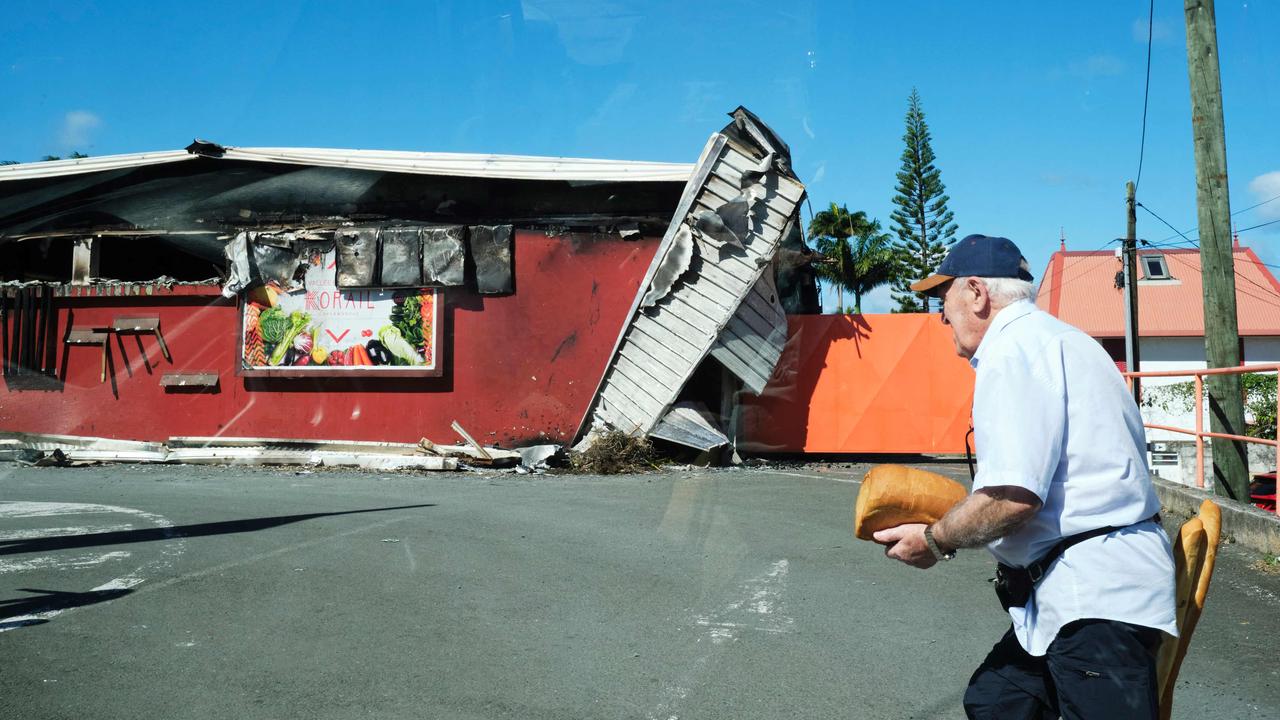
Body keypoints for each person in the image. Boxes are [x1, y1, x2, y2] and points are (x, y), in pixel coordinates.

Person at [872, 234, 1176, 719]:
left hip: (1094, 599)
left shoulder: (1010, 352)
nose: (940, 317)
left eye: (942, 299)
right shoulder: (1062, 338)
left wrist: (933, 540)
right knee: (997, 701)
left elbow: (1013, 497)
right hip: (1081, 588)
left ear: (976, 292)